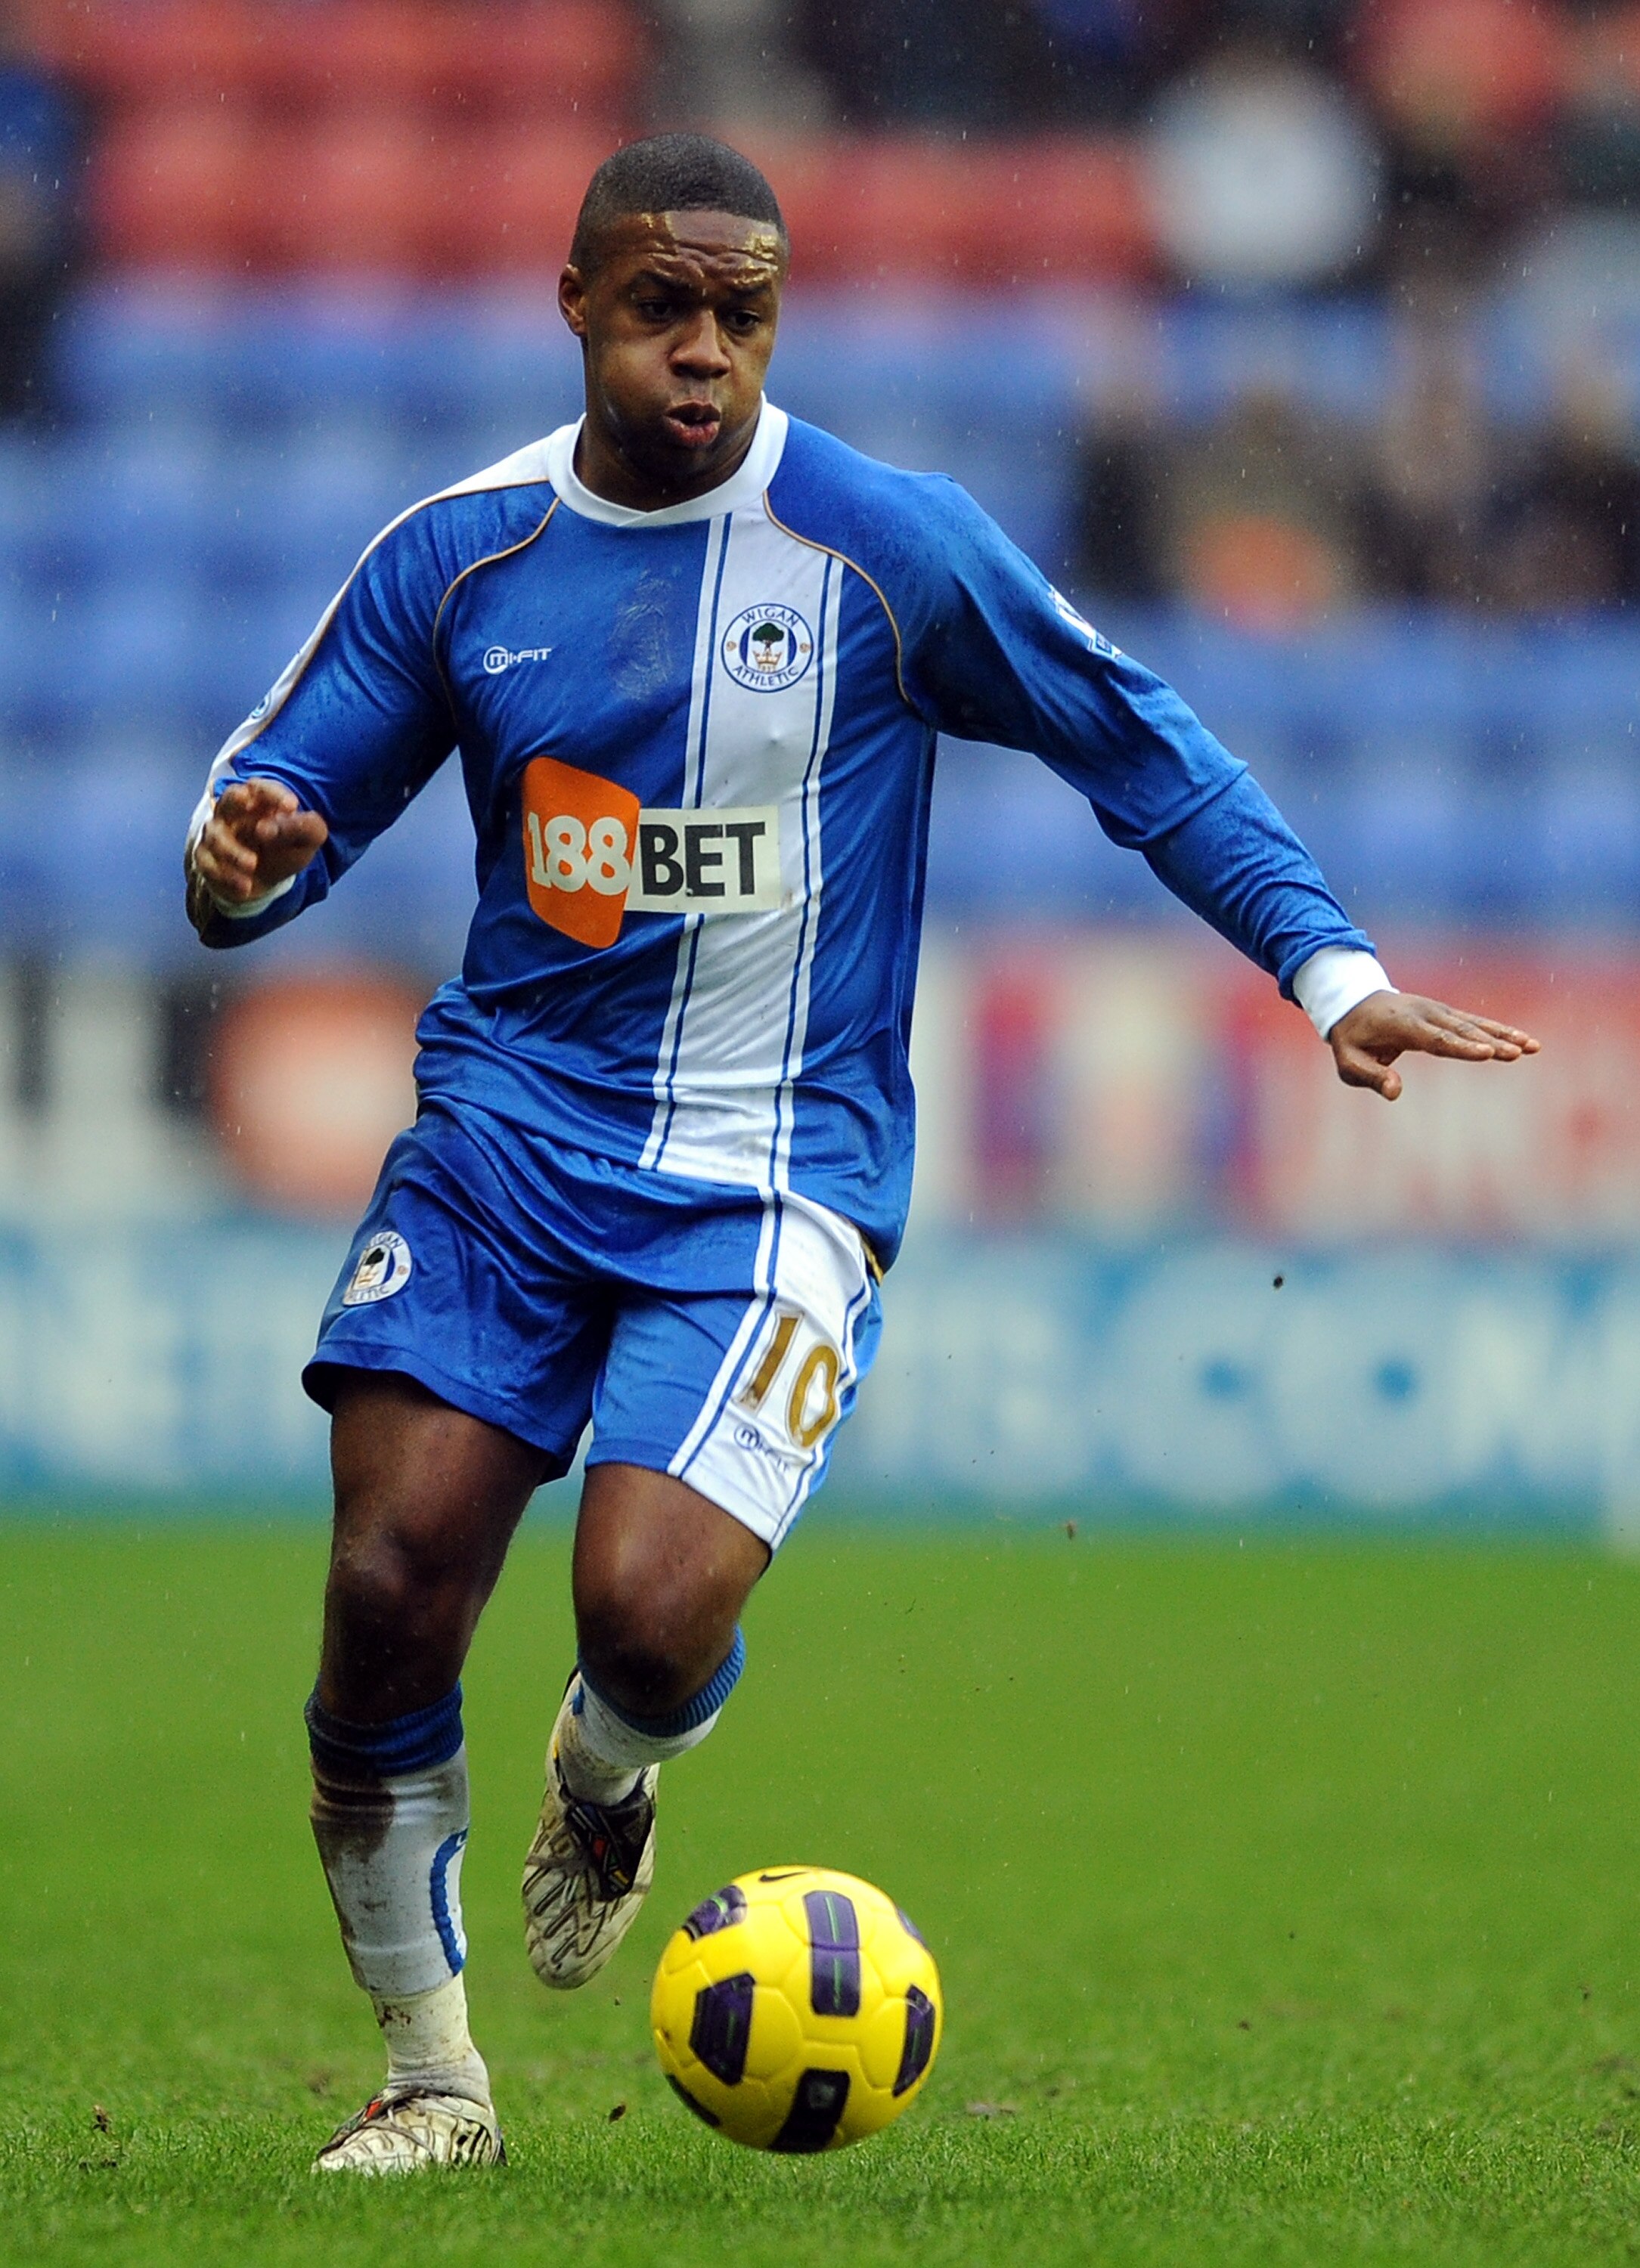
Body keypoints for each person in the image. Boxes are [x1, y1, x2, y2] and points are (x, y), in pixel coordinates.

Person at [184, 133, 1539, 2174]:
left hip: (773, 1178)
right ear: (575, 306)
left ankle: (614, 1773)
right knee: (386, 1588)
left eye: (741, 313)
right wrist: (238, 863)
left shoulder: (885, 545)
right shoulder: (452, 559)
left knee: (641, 1615)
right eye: (661, 308)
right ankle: (432, 2082)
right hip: (498, 1152)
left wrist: (1325, 967)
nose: (704, 352)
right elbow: (271, 823)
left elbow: (1131, 738)